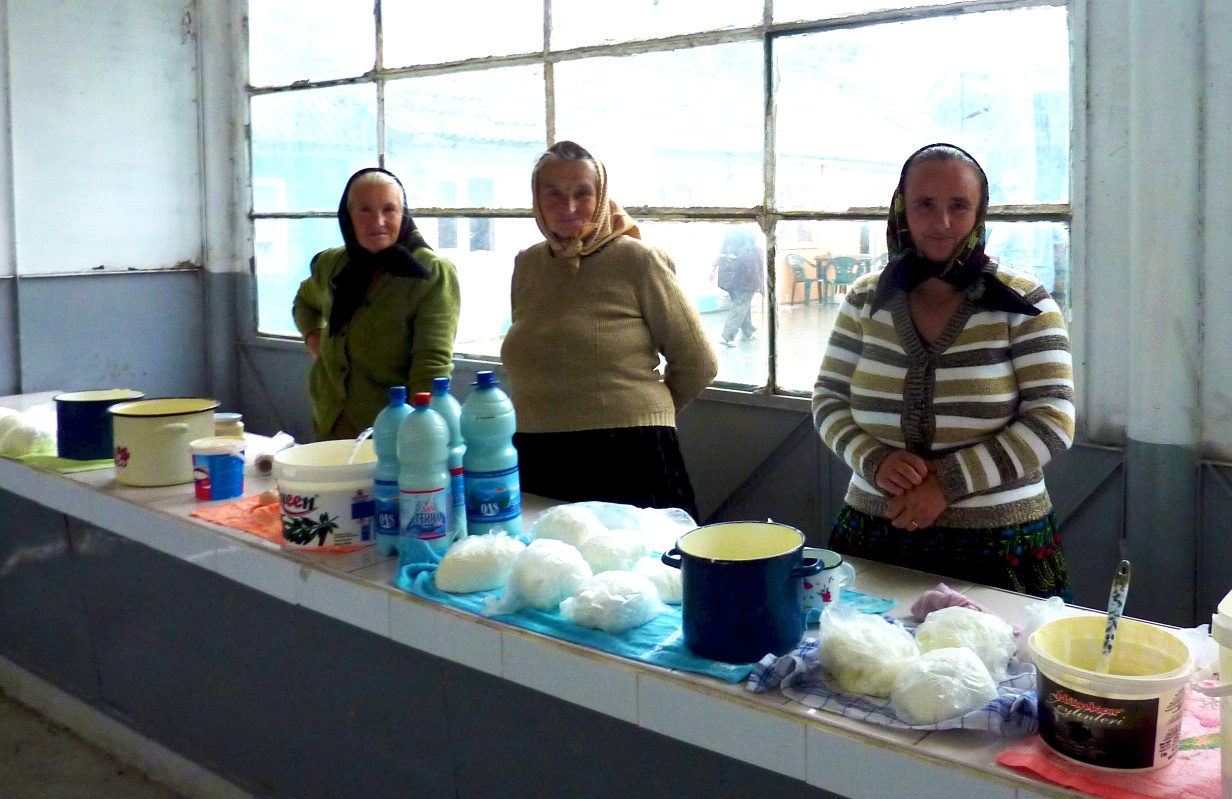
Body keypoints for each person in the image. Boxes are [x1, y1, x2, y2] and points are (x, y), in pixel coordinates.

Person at [811, 143, 1075, 599]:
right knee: (862, 645)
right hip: (874, 533)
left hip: (999, 545)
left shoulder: (1023, 301)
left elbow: (1053, 419)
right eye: (925, 205)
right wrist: (873, 460)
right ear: (902, 209)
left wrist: (946, 484)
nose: (943, 222)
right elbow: (828, 400)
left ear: (979, 211)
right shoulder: (865, 299)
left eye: (959, 206)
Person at [500, 141, 718, 520]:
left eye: (582, 193)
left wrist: (642, 414)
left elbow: (698, 363)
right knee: (548, 556)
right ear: (537, 199)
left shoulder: (638, 260)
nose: (569, 207)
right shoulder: (528, 264)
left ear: (601, 197)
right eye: (554, 194)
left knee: (641, 558)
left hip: (627, 453)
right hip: (536, 451)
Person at [293, 168, 461, 440]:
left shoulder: (430, 273)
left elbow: (431, 365)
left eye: (389, 209)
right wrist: (314, 336)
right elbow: (304, 301)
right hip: (330, 419)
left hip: (394, 429)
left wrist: (420, 434)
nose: (378, 221)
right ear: (348, 216)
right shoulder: (332, 264)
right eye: (365, 210)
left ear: (403, 214)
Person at [711, 227, 763, 348]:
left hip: (728, 275)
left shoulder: (729, 232)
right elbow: (760, 250)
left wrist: (712, 268)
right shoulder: (750, 232)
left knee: (742, 303)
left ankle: (748, 332)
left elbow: (720, 250)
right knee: (741, 304)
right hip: (746, 274)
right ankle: (727, 336)